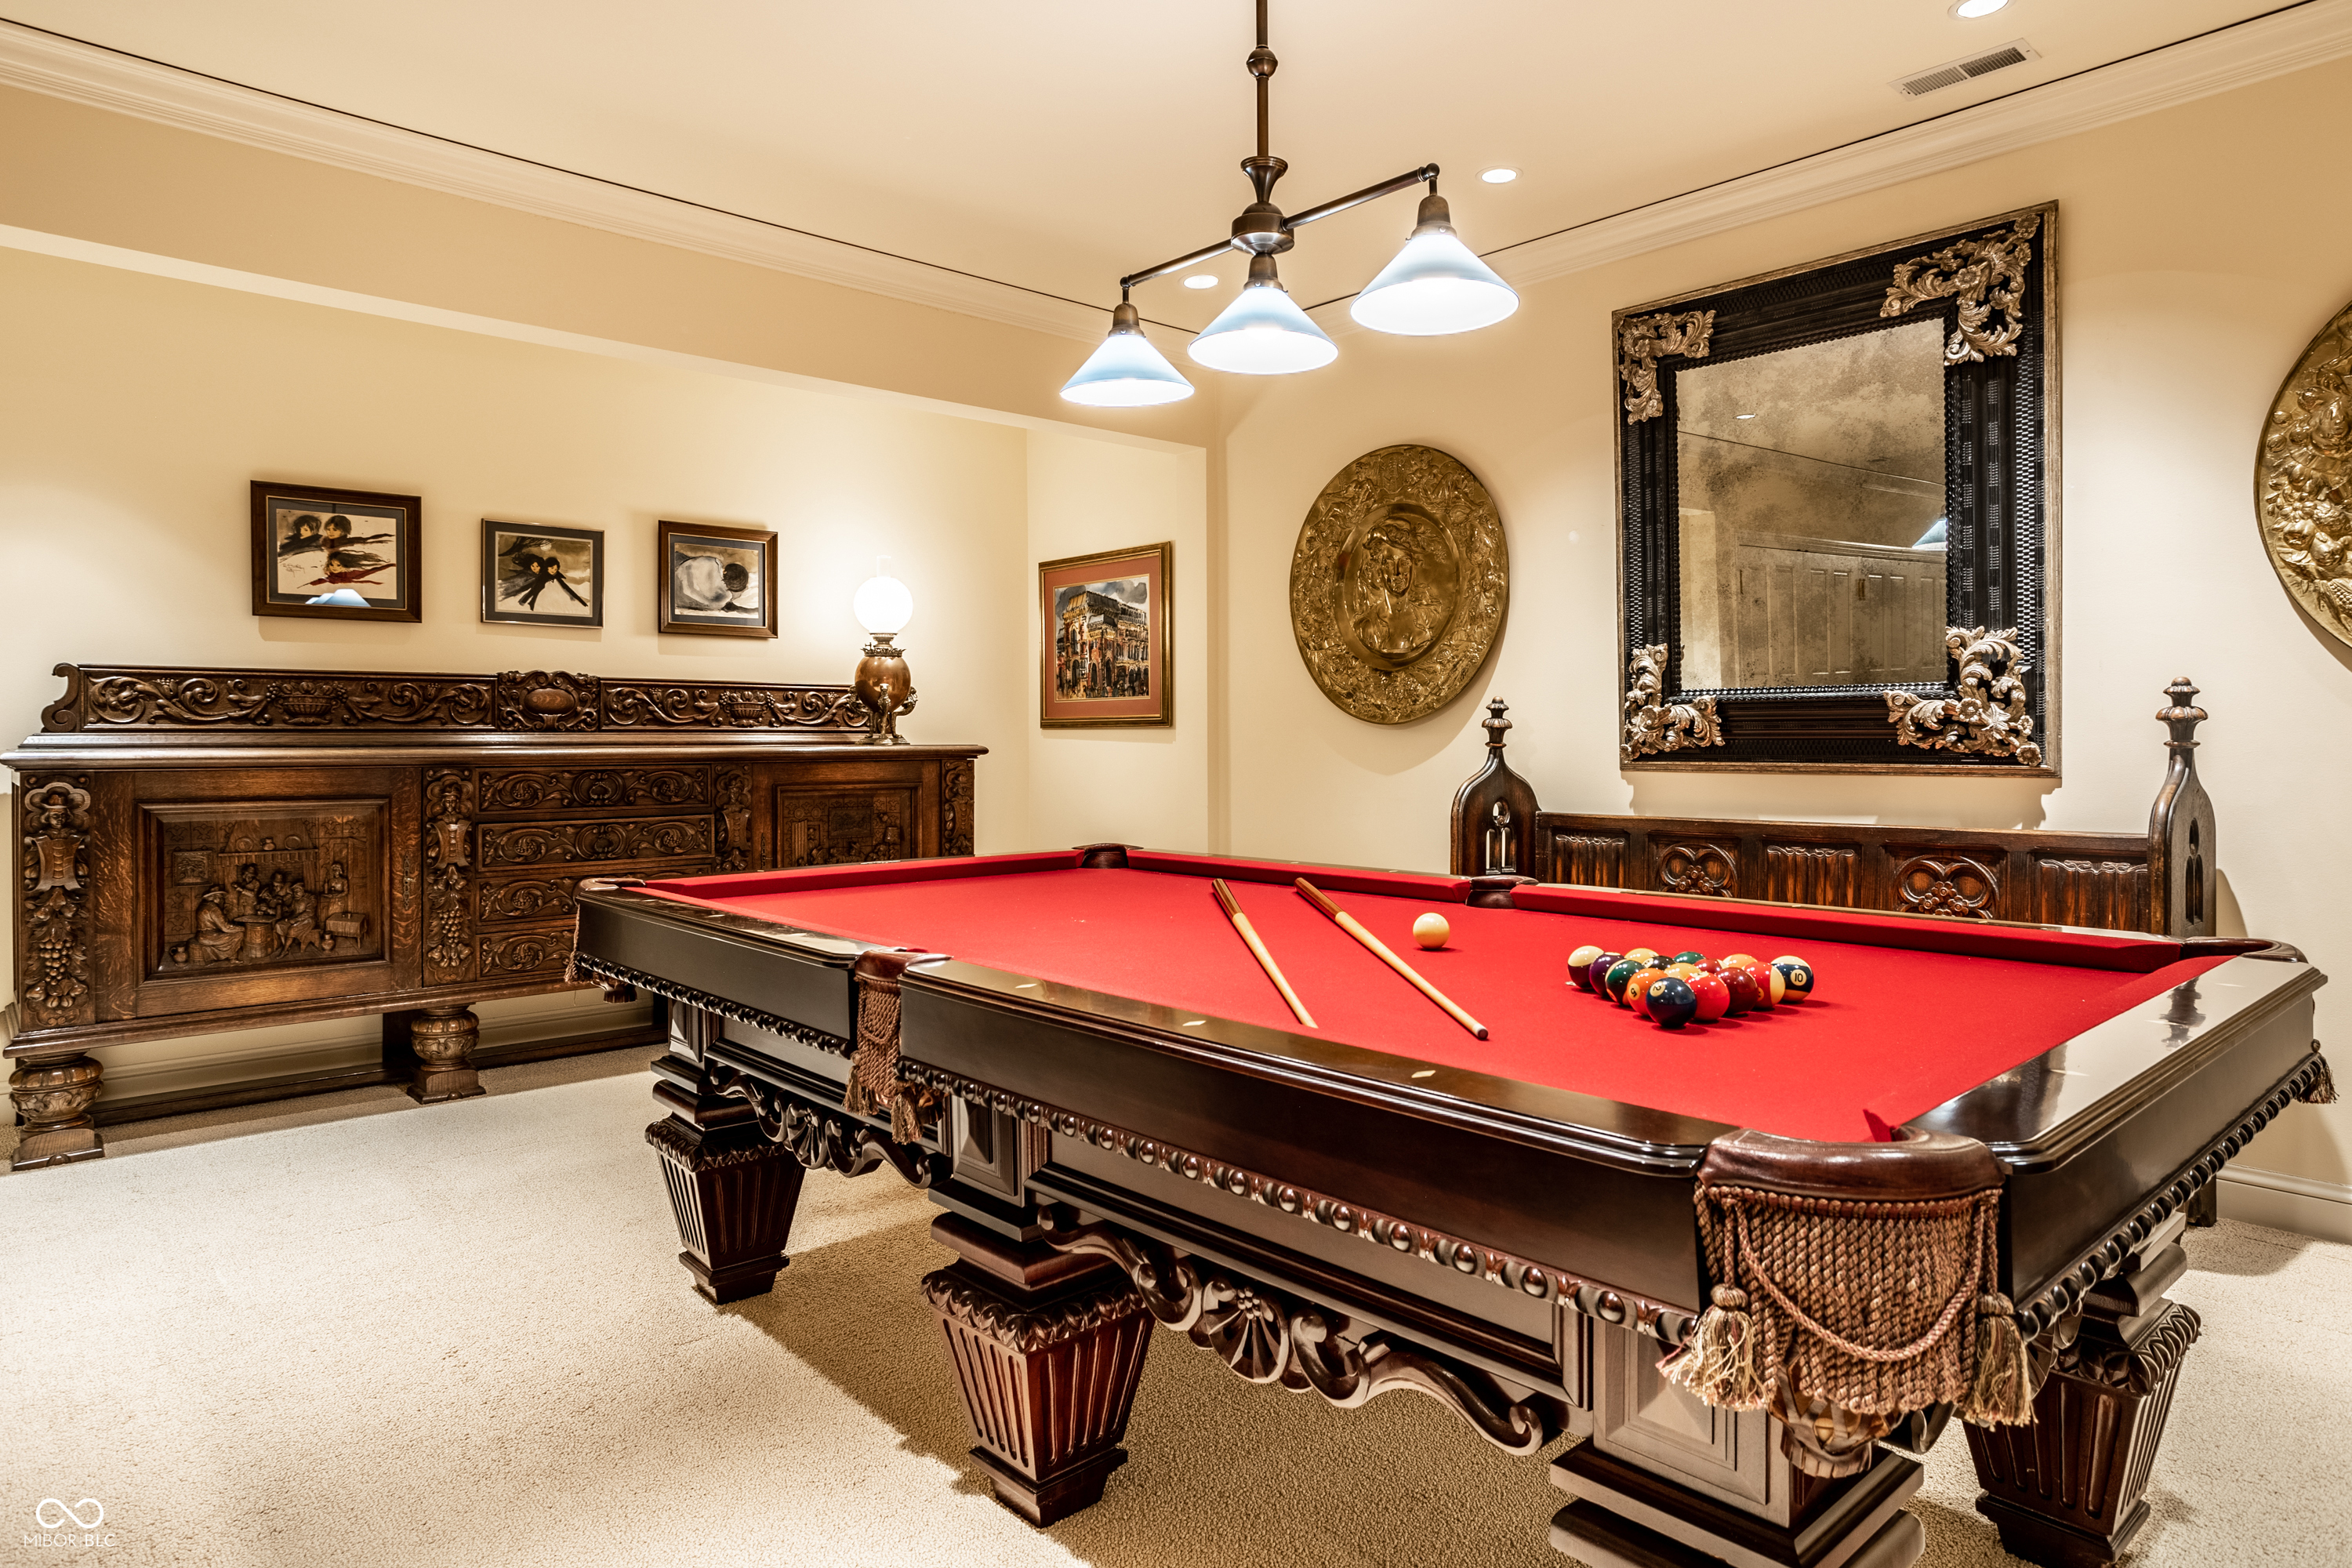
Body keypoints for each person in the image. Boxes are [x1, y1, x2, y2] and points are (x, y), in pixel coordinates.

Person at [673, 551, 754, 613]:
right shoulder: (724, 598)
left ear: (725, 571)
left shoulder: (713, 563)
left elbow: (692, 564)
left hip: (677, 575)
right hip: (677, 597)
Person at [190, 887, 242, 963]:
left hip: (201, 936)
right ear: (216, 897)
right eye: (220, 897)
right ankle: (232, 957)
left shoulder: (203, 905)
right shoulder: (214, 908)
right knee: (239, 934)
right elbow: (225, 928)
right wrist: (241, 928)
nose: (221, 899)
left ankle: (232, 958)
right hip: (211, 937)